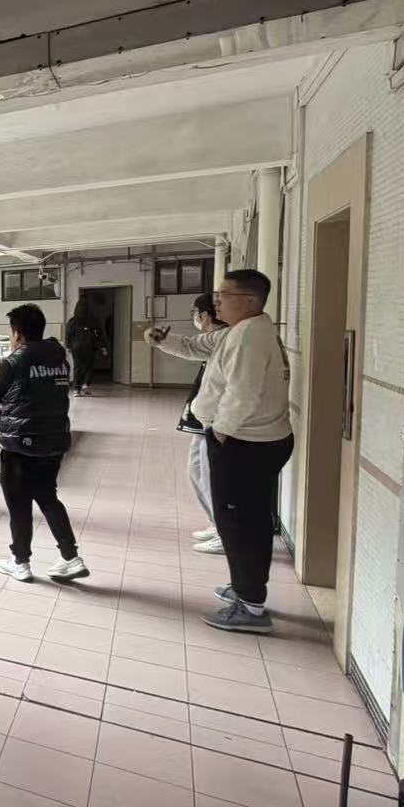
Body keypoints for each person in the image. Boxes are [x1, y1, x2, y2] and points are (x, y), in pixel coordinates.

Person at [146, 269, 292, 633]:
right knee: (249, 520)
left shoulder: (249, 338)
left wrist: (220, 433)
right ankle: (247, 589)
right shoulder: (239, 331)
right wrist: (163, 340)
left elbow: (243, 394)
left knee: (239, 523)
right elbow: (196, 346)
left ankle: (251, 607)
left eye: (223, 295)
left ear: (249, 300)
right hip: (252, 440)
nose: (216, 302)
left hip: (244, 443)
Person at [0, 304, 89, 583]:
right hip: (54, 440)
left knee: (19, 505)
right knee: (47, 497)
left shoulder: (14, 361)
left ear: (17, 334)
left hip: (20, 443)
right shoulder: (60, 358)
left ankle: (21, 563)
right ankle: (71, 557)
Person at [180, 296, 228, 556]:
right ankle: (216, 522)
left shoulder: (225, 339)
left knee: (212, 477)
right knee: (196, 471)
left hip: (215, 424)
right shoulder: (213, 340)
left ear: (206, 315)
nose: (195, 317)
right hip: (203, 421)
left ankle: (226, 532)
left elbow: (186, 347)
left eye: (196, 312)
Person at [65, 302, 101, 397]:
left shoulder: (72, 321)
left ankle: (76, 389)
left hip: (76, 347)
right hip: (89, 347)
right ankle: (85, 385)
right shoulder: (92, 321)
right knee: (88, 367)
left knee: (77, 367)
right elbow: (97, 334)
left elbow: (68, 335)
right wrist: (100, 346)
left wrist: (68, 346)